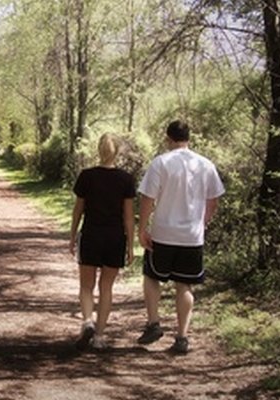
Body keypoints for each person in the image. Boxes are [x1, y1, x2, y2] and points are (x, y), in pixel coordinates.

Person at [136, 120, 225, 354]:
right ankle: (182, 337)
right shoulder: (205, 164)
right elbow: (213, 200)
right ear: (189, 138)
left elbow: (147, 198)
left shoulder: (161, 163)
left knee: (151, 276)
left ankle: (154, 323)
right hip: (192, 236)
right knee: (184, 285)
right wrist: (203, 221)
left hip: (163, 233)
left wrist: (142, 228)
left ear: (168, 138)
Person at [69, 134, 135, 350]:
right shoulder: (126, 179)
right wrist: (131, 245)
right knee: (106, 287)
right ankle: (98, 337)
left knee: (86, 286)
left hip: (91, 235)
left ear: (98, 150)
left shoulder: (87, 176)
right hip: (115, 238)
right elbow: (128, 216)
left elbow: (78, 209)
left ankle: (87, 320)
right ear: (118, 152)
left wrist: (72, 236)